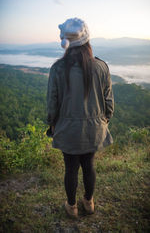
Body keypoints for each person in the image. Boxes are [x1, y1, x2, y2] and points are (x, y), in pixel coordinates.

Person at [47, 18, 114, 219]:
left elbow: (52, 104)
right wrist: (103, 121)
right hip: (95, 129)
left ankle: (72, 206)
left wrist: (52, 124)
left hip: (67, 129)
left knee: (71, 168)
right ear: (86, 40)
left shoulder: (58, 69)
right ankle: (89, 202)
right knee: (89, 164)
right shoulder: (101, 67)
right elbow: (109, 103)